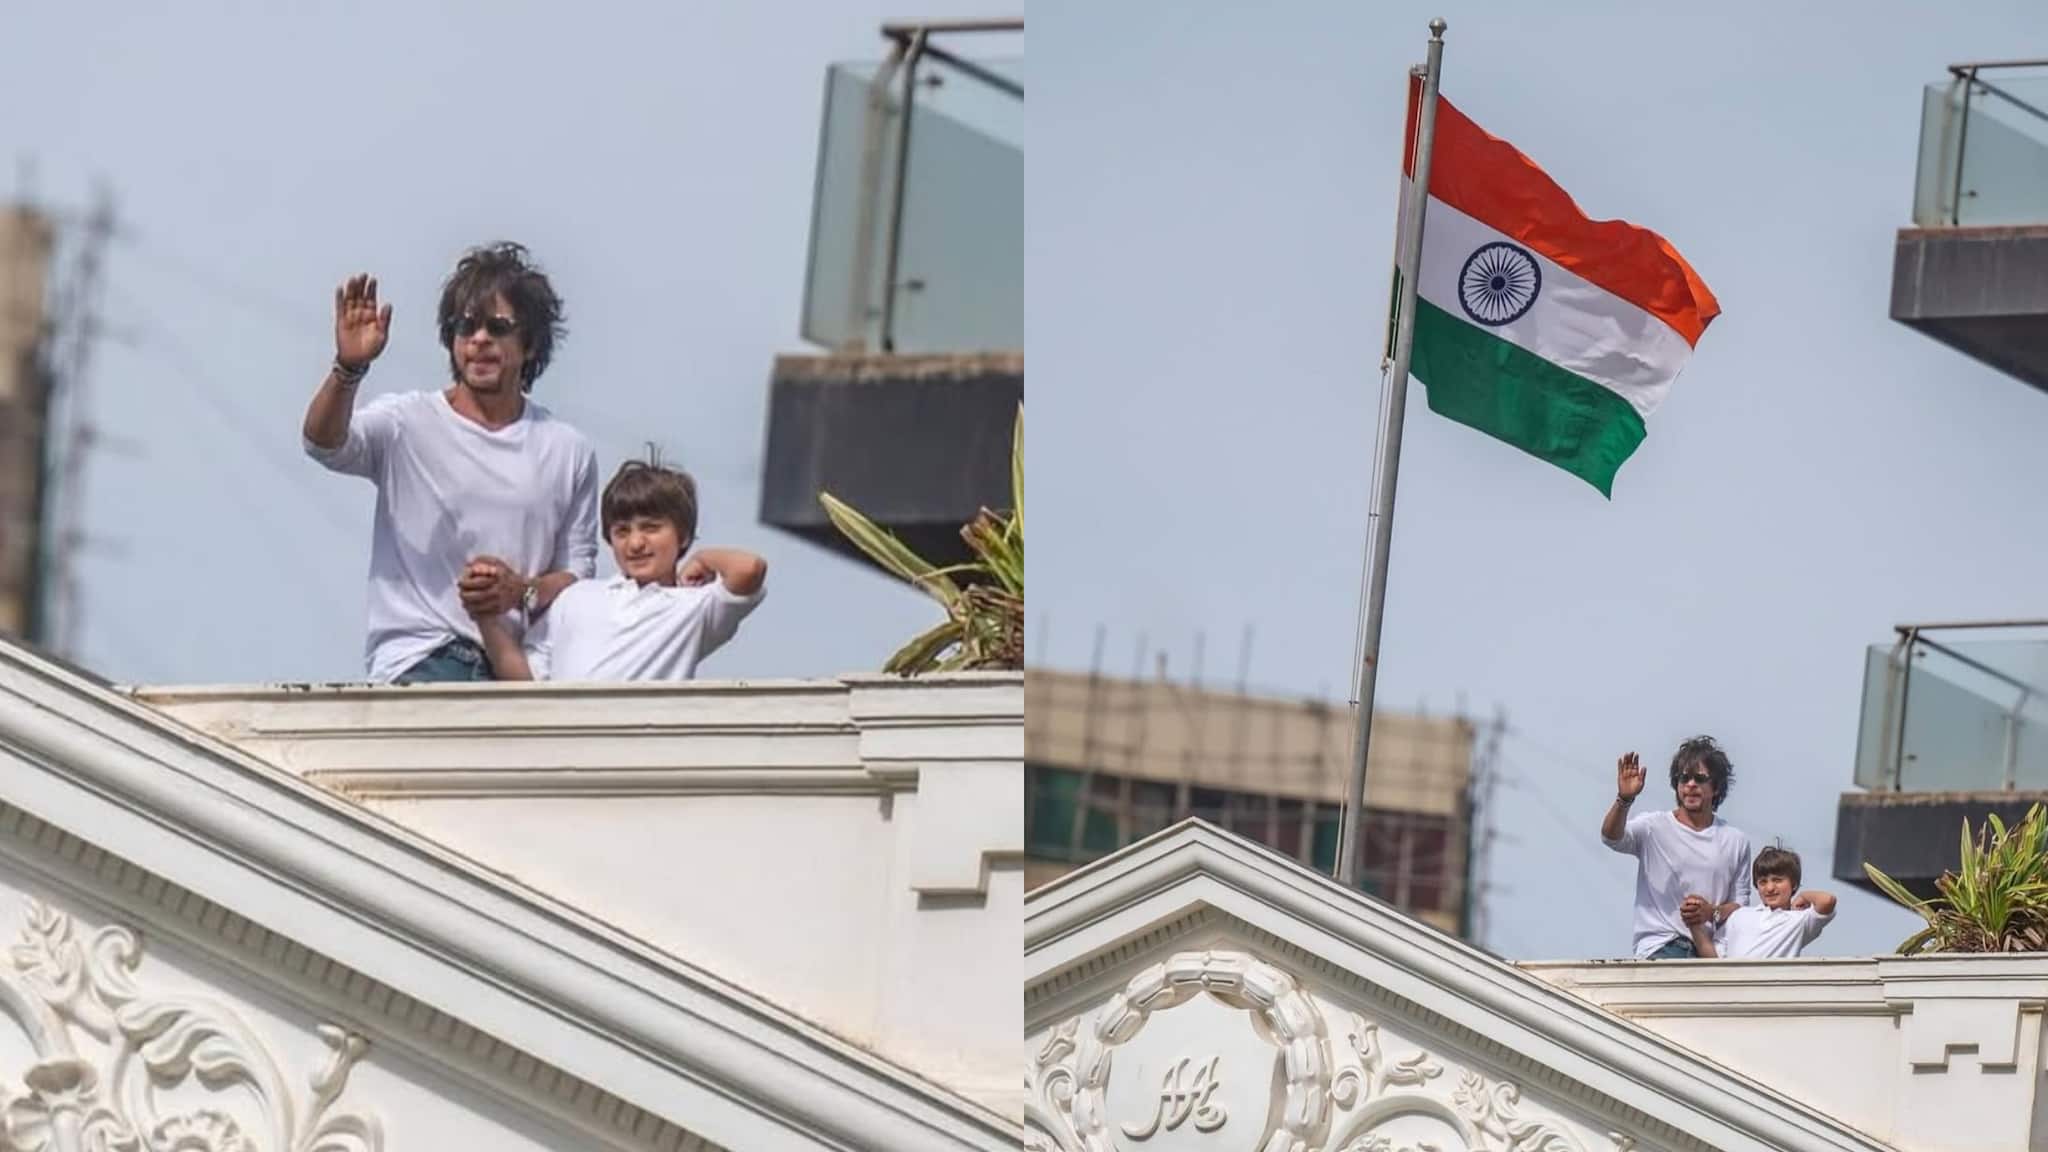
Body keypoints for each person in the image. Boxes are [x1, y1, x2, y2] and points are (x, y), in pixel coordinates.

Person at [302, 244, 599, 684]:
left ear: (530, 343)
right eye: (465, 326)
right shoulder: (407, 422)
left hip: (517, 671)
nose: (479, 339)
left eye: (498, 327)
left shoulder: (566, 448)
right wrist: (348, 368)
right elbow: (323, 442)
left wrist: (520, 591)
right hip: (421, 659)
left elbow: (579, 580)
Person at [471, 459, 766, 681]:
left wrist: (701, 558)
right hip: (565, 752)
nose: (636, 543)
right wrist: (486, 617)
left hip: (640, 755)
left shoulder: (694, 606)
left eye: (651, 528)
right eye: (622, 531)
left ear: (683, 535)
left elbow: (749, 569)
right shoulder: (576, 596)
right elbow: (526, 683)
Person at [1600, 736, 1754, 959]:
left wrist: (1711, 912)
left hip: (1710, 953)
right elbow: (1611, 837)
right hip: (1662, 946)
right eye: (1684, 778)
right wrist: (1624, 799)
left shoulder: (1735, 840)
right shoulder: (1654, 826)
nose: (1691, 785)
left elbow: (1741, 910)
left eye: (1700, 779)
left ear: (1716, 788)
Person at [1686, 847, 1836, 959]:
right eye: (1763, 882)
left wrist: (1803, 896)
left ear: (1794, 884)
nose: (1770, 888)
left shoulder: (1799, 920)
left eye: (1777, 880)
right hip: (1734, 993)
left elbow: (1827, 900)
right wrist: (1694, 924)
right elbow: (1713, 959)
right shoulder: (1739, 915)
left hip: (1771, 996)